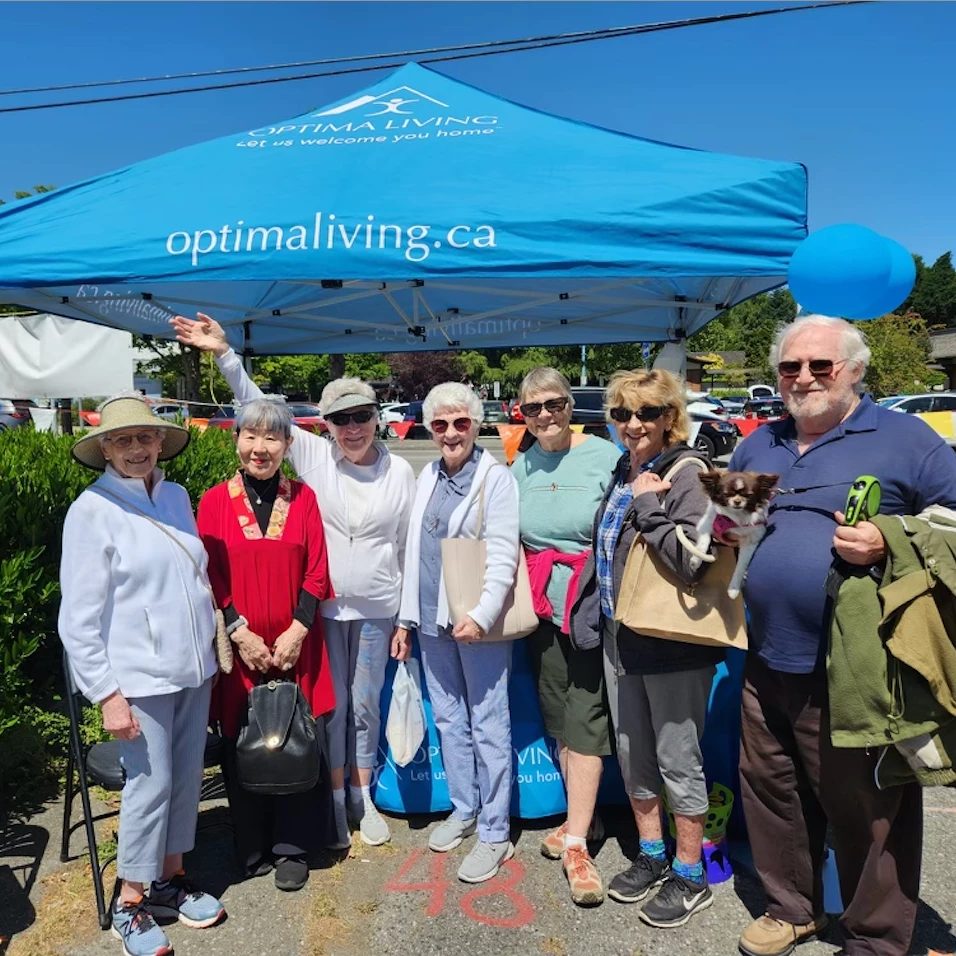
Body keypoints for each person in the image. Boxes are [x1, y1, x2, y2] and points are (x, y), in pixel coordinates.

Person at [730, 314, 956, 956]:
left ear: (855, 371)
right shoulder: (759, 442)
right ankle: (792, 908)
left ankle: (876, 939)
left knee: (869, 809)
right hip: (766, 654)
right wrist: (728, 531)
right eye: (790, 367)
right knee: (771, 788)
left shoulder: (908, 439)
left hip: (858, 663)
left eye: (820, 366)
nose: (803, 378)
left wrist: (889, 537)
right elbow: (738, 523)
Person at [172, 313, 416, 851]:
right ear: (323, 425)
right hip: (296, 624)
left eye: (361, 416)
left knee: (358, 706)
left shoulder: (393, 474)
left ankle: (356, 799)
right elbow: (262, 412)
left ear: (377, 418)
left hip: (359, 611)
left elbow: (404, 547)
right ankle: (292, 820)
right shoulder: (312, 460)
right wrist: (224, 355)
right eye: (339, 419)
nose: (351, 427)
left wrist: (404, 616)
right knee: (299, 718)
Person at [59, 395, 224, 956]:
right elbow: (77, 620)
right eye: (122, 440)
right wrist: (106, 693)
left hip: (193, 668)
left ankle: (170, 880)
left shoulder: (176, 496)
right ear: (104, 447)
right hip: (137, 679)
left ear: (160, 443)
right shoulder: (91, 510)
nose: (136, 449)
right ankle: (129, 899)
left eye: (144, 439)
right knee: (149, 787)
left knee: (184, 778)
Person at [575, 369, 722, 928]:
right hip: (621, 636)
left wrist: (648, 508)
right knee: (634, 754)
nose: (633, 425)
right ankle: (652, 854)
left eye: (647, 414)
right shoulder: (626, 468)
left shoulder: (688, 473)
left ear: (669, 419)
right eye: (621, 414)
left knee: (678, 760)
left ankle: (690, 875)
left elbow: (693, 561)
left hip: (671, 642)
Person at [198, 398, 337, 891]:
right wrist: (240, 632)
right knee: (245, 738)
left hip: (296, 643)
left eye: (272, 437)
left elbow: (318, 569)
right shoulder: (213, 501)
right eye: (251, 436)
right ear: (235, 440)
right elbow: (209, 573)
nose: (261, 447)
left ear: (287, 444)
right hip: (242, 647)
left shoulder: (304, 499)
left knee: (298, 736)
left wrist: (299, 629)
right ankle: (252, 842)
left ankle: (294, 846)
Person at [394, 382, 520, 884]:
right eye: (440, 424)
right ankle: (464, 809)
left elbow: (504, 555)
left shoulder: (495, 479)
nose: (450, 433)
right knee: (448, 719)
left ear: (476, 423)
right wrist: (406, 619)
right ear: (429, 429)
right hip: (429, 619)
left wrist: (484, 614)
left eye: (460, 423)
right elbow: (412, 553)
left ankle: (494, 832)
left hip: (474, 622)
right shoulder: (426, 474)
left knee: (489, 722)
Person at [510, 367, 620, 906]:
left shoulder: (604, 456)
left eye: (554, 404)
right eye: (532, 409)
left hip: (591, 609)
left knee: (585, 720)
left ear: (570, 404)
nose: (544, 416)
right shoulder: (521, 464)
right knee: (559, 718)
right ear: (522, 415)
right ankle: (587, 818)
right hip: (541, 611)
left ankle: (576, 844)